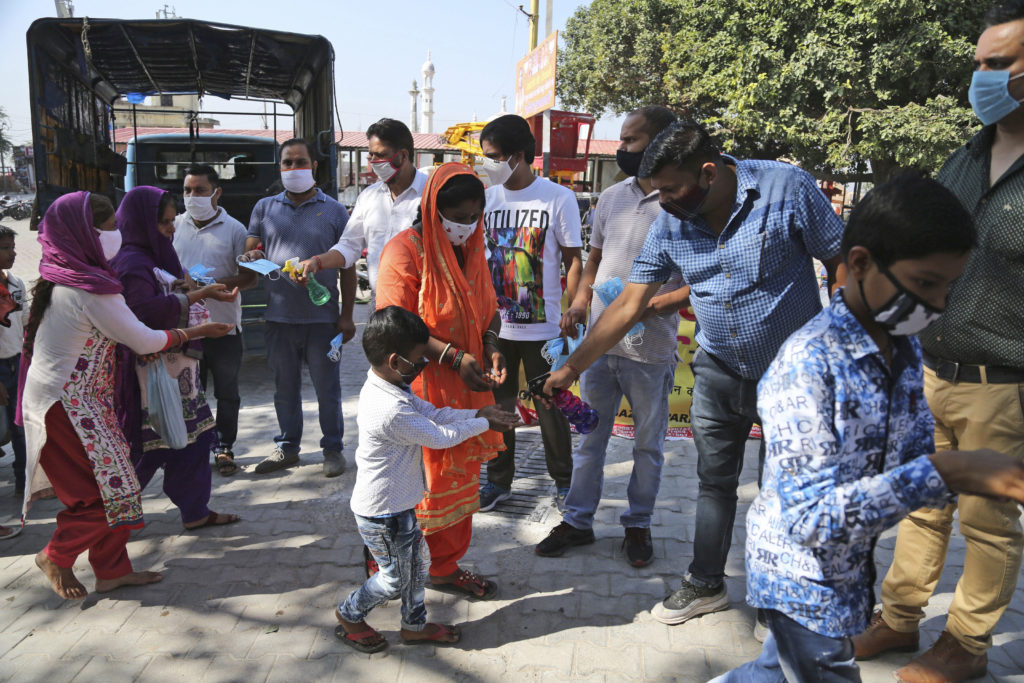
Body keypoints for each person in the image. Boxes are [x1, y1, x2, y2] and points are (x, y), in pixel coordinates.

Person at [712, 174, 1024, 682]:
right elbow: (810, 520)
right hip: (802, 581)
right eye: (926, 283)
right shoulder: (808, 366)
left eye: (949, 285)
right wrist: (947, 472)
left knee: (773, 673)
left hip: (850, 570)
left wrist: (974, 470)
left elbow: (909, 453)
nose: (940, 304)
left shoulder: (902, 346)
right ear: (858, 263)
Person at [544, 121, 845, 627]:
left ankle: (781, 597)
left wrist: (843, 342)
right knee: (714, 483)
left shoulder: (786, 188)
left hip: (794, 375)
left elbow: (842, 261)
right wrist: (572, 367)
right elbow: (628, 307)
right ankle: (707, 583)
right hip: (718, 371)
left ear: (707, 173)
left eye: (668, 189)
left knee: (785, 487)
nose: (660, 201)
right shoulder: (671, 222)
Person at [851, 4, 1024, 681]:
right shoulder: (967, 154)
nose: (978, 77)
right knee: (921, 501)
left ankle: (967, 645)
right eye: (976, 63)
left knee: (987, 518)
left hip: (1003, 382)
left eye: (995, 65)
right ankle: (898, 618)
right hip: (931, 367)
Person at [18, 191, 232, 599]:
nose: (118, 235)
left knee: (117, 489)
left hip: (83, 401)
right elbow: (145, 338)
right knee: (113, 493)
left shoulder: (67, 276)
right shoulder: (88, 289)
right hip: (67, 407)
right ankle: (56, 553)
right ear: (88, 234)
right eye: (111, 228)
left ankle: (112, 570)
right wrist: (197, 332)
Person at [535, 105, 688, 567]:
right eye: (620, 140)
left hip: (652, 349)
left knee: (647, 444)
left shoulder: (682, 202)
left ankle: (638, 524)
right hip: (599, 347)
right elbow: (595, 261)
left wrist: (648, 307)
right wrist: (581, 302)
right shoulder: (612, 197)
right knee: (589, 438)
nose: (621, 149)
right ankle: (578, 521)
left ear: (661, 142)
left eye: (631, 141)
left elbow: (696, 282)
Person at [335, 306, 520, 653]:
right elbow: (439, 436)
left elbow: (434, 414)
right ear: (395, 361)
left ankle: (414, 626)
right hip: (382, 513)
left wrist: (478, 413)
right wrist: (484, 423)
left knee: (417, 567)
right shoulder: (389, 408)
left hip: (399, 505)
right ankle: (349, 614)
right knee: (393, 578)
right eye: (419, 360)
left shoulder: (390, 388)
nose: (422, 366)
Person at [374, 162, 508, 599]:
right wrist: (452, 355)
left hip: (467, 386)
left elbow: (488, 309)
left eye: (475, 217)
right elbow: (395, 327)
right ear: (434, 209)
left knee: (460, 477)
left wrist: (490, 346)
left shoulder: (472, 250)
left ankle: (446, 567)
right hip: (420, 391)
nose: (467, 227)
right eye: (458, 218)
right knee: (416, 483)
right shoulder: (404, 252)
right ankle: (391, 567)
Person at [112, 186, 240, 531]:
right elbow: (145, 312)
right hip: (149, 371)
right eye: (165, 223)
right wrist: (199, 298)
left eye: (171, 221)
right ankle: (107, 520)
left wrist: (201, 291)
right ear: (142, 223)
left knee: (193, 439)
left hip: (177, 367)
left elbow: (175, 288)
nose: (171, 229)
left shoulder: (157, 255)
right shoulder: (132, 262)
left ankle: (196, 509)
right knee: (147, 447)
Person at [477, 114, 583, 512]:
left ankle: (564, 482)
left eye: (494, 157)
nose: (488, 165)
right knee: (499, 409)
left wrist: (575, 310)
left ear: (519, 156)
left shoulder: (557, 198)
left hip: (544, 327)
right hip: (497, 329)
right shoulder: (488, 200)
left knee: (550, 407)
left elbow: (574, 260)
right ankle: (498, 481)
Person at [242, 138, 355, 477]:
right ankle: (287, 448)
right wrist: (253, 255)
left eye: (299, 161)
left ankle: (333, 449)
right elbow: (252, 246)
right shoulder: (264, 207)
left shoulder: (335, 210)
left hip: (323, 320)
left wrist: (347, 316)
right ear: (280, 167)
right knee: (284, 388)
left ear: (314, 166)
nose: (293, 168)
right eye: (287, 163)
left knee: (327, 389)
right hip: (278, 317)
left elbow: (348, 266)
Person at [173, 164, 255, 477]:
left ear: (216, 192)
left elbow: (248, 279)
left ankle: (224, 448)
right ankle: (191, 449)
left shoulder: (235, 229)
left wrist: (205, 286)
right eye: (187, 190)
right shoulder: (176, 225)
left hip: (223, 327)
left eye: (200, 190)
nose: (192, 196)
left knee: (227, 392)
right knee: (188, 392)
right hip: (185, 329)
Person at [299, 118, 427, 298]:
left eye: (380, 155)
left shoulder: (432, 194)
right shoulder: (369, 197)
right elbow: (349, 246)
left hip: (423, 308)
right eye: (371, 155)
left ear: (403, 155)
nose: (373, 162)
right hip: (381, 305)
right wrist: (317, 262)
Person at [0, 225, 27, 497]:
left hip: (16, 362)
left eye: (12, 247)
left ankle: (23, 481)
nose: (12, 253)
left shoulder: (16, 283)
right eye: (5, 248)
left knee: (19, 426)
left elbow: (27, 323)